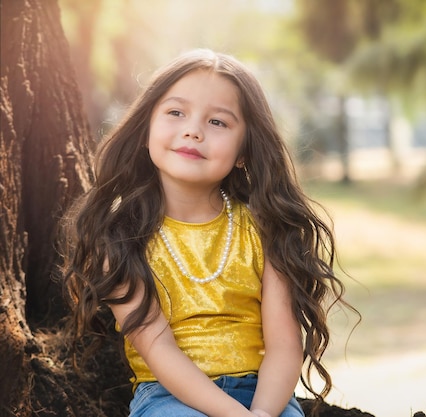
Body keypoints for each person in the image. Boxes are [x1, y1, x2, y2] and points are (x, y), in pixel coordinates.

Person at [62, 49, 357, 417]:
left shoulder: (265, 230)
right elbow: (159, 350)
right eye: (175, 112)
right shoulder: (120, 237)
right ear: (145, 130)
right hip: (169, 398)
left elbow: (284, 346)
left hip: (262, 394)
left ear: (243, 152)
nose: (193, 130)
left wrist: (263, 413)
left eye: (217, 122)